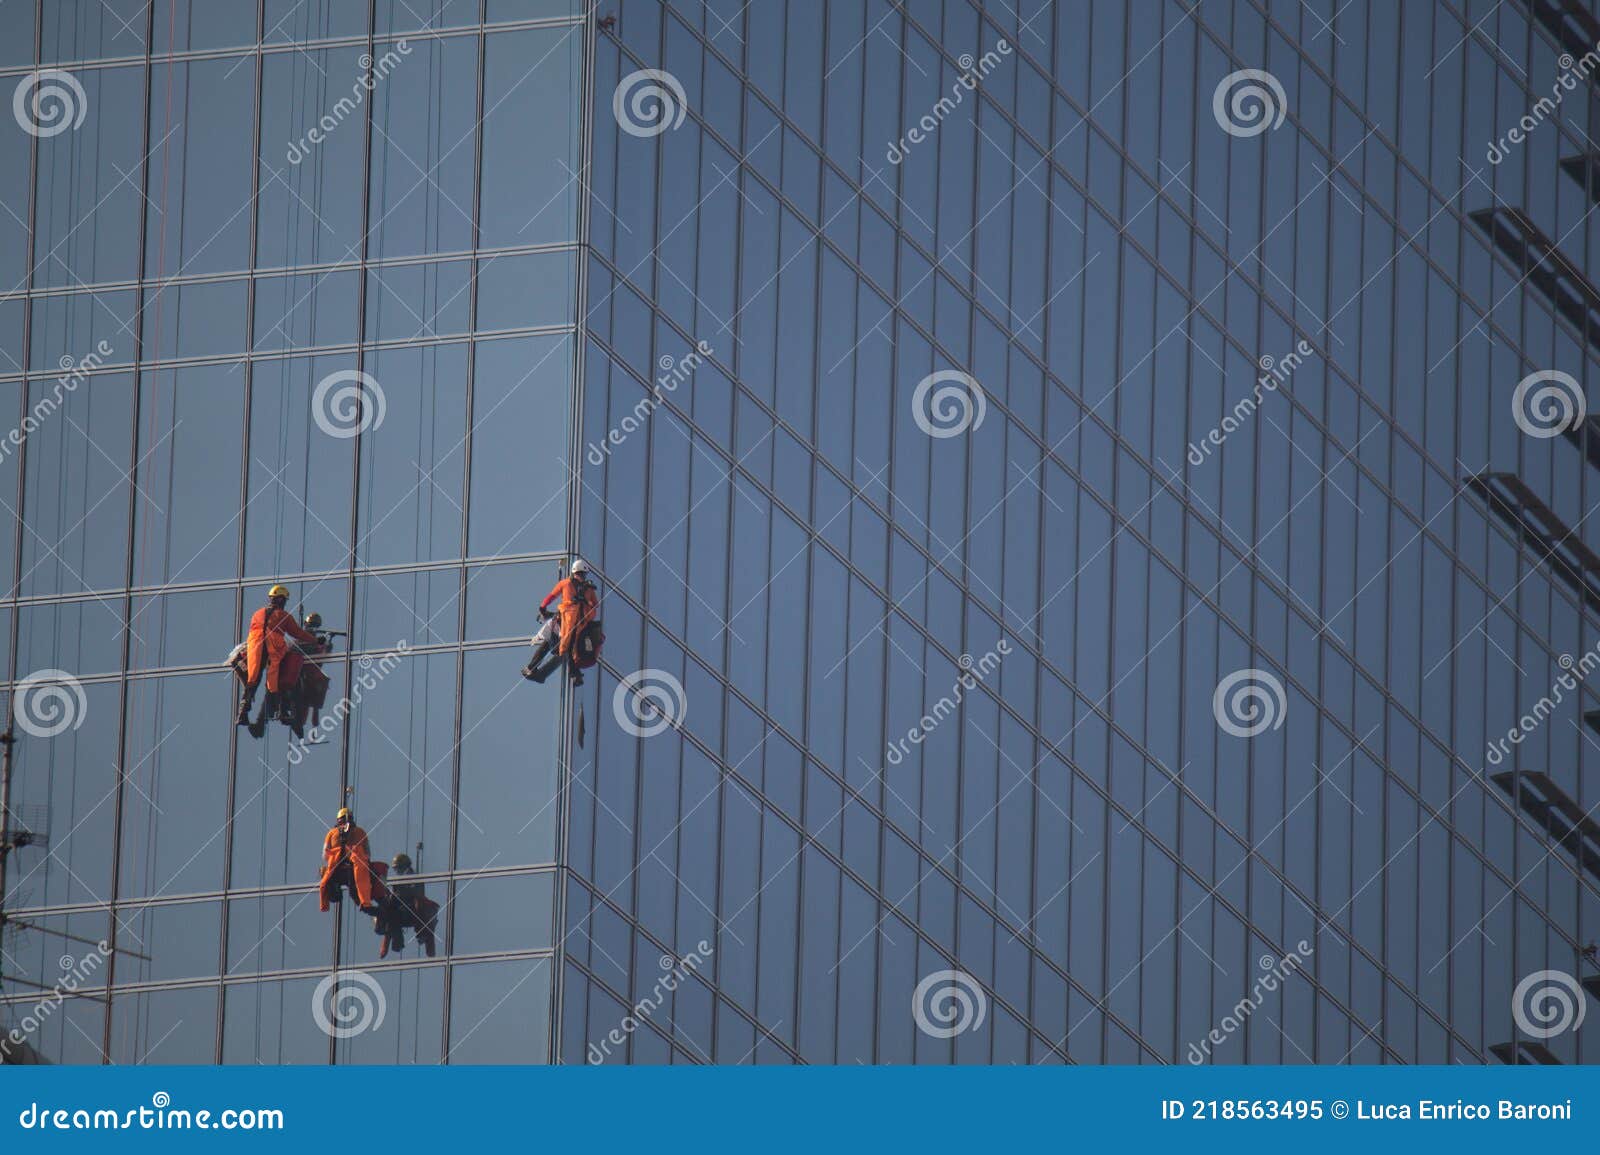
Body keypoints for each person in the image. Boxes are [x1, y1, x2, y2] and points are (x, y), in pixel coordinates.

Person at [237, 584, 323, 738]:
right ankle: (281, 711)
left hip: (255, 649)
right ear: (281, 600)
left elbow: (254, 632)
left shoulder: (257, 614)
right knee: (275, 682)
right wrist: (316, 640)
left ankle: (243, 712)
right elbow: (297, 633)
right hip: (272, 650)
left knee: (253, 681)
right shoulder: (283, 616)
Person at [525, 559, 600, 686]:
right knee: (562, 648)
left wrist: (543, 608)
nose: (580, 577)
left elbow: (551, 596)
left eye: (581, 575)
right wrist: (543, 608)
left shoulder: (570, 584)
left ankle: (534, 670)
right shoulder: (581, 587)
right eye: (581, 574)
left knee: (558, 647)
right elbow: (595, 605)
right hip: (573, 624)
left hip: (569, 623)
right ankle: (572, 675)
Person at [373, 852, 438, 959]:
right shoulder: (402, 879)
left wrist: (391, 897)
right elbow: (398, 895)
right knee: (390, 916)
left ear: (403, 866)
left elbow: (411, 893)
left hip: (413, 910)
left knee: (390, 914)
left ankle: (397, 944)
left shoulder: (411, 877)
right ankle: (393, 945)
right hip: (406, 910)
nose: (397, 871)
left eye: (398, 868)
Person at [318, 807, 377, 914]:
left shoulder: (331, 833)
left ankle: (326, 903)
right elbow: (368, 854)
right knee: (360, 881)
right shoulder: (360, 832)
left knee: (326, 881)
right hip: (355, 867)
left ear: (338, 820)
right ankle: (364, 902)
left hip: (336, 868)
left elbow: (325, 854)